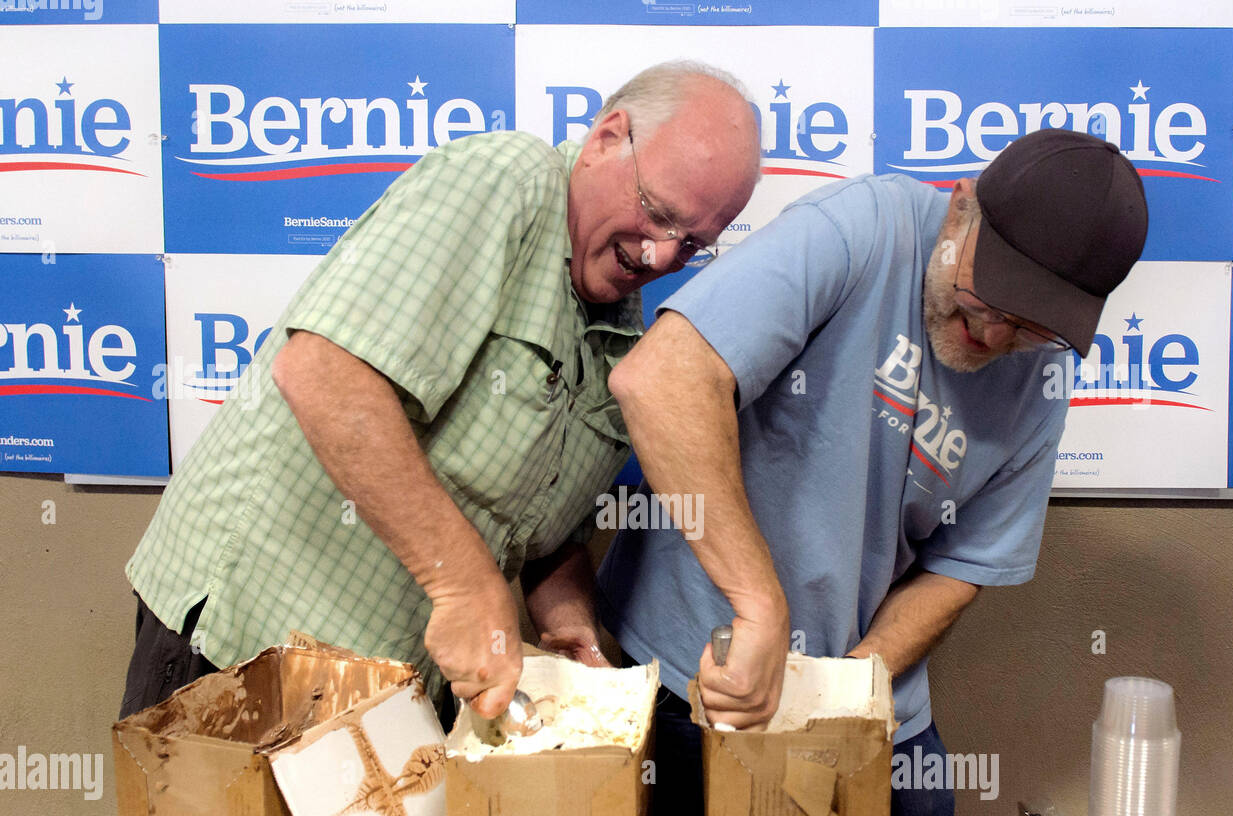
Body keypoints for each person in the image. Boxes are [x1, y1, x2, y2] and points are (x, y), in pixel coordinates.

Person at [118, 61, 760, 722]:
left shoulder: (622, 336)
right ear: (606, 138)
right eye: (657, 212)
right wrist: (461, 581)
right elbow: (321, 372)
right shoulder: (506, 180)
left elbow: (533, 527)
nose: (658, 256)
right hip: (244, 641)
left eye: (691, 245)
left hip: (378, 693)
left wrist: (566, 616)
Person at [597, 128, 1149, 816]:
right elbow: (660, 380)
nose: (993, 331)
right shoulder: (863, 228)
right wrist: (760, 606)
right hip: (697, 673)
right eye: (989, 297)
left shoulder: (1041, 373)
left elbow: (962, 567)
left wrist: (839, 696)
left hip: (862, 687)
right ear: (960, 211)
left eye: (1030, 324)